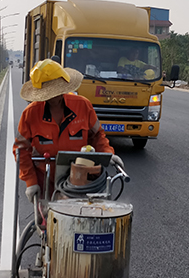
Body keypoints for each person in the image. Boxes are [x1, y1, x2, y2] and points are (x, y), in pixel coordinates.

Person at [14, 59, 123, 204]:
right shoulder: (30, 114)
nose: (56, 96)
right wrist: (30, 181)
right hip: (45, 177)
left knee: (82, 216)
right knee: (46, 218)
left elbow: (97, 136)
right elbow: (21, 150)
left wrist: (108, 154)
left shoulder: (82, 106)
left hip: (80, 177)